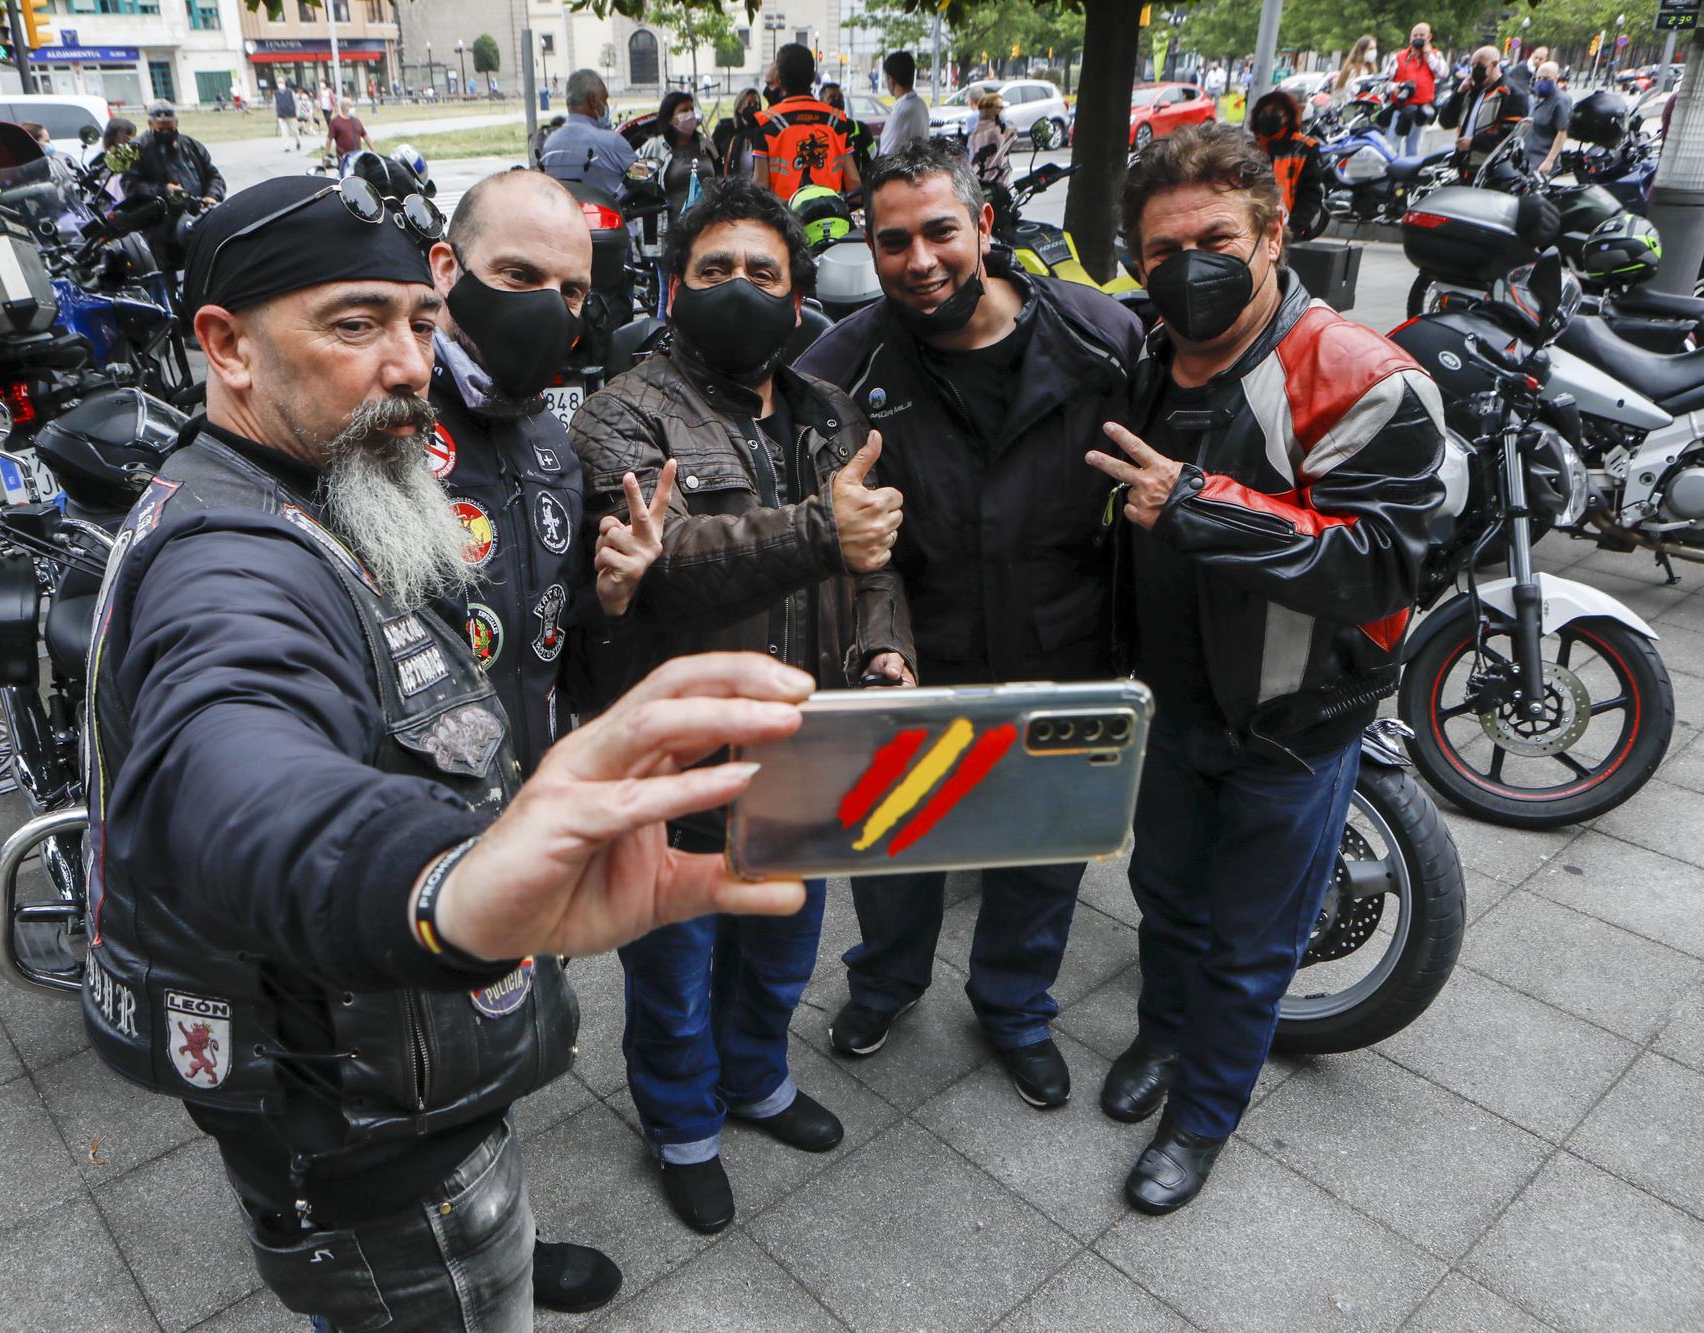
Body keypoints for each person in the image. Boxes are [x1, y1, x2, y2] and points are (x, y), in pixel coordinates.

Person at [83, 172, 818, 1330]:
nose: (409, 366)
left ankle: (508, 1243)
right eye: (353, 326)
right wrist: (443, 888)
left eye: (415, 326)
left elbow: (512, 644)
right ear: (225, 346)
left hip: (421, 1028)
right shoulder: (227, 552)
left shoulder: (330, 481)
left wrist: (613, 604)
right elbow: (233, 759)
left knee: (481, 1212)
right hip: (354, 1079)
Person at [1090, 123, 1442, 1214]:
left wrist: (1199, 506)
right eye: (1159, 249)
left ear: (1273, 233)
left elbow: (1380, 565)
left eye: (1214, 238)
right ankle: (1157, 1036)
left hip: (1293, 723)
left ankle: (1199, 1119)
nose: (1186, 266)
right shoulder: (1145, 355)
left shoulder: (1358, 376)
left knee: (1249, 945)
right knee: (1162, 896)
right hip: (1170, 705)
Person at [568, 178, 915, 1235]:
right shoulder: (620, 412)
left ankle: (755, 1082)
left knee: (781, 953)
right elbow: (665, 567)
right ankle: (681, 1126)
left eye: (762, 271)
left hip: (797, 759)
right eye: (714, 268)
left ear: (797, 298)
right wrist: (822, 530)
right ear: (676, 286)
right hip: (676, 768)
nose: (738, 288)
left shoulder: (825, 412)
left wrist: (887, 648)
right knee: (671, 977)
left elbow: (871, 561)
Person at [795, 138, 1142, 1111]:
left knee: (1041, 847)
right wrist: (876, 641)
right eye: (891, 239)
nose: (919, 259)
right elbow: (843, 539)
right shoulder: (837, 367)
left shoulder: (1098, 338)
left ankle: (1014, 1007)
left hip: (1064, 651)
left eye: (939, 230)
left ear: (983, 225)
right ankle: (886, 984)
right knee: (896, 843)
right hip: (916, 651)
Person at [422, 168, 625, 1316]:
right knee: (415, 1067)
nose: (547, 308)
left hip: (520, 817)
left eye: (569, 289)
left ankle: (492, 1231)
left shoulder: (549, 444)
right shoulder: (378, 434)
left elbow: (550, 634)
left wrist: (620, 588)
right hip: (403, 851)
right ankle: (443, 1259)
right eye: (517, 277)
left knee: (500, 1051)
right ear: (445, 272)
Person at [124, 100, 226, 275]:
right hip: (160, 230)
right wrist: (164, 190)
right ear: (150, 124)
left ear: (176, 123)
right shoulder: (137, 149)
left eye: (169, 128)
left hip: (196, 222)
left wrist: (211, 196)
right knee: (167, 279)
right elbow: (131, 186)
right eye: (160, 128)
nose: (165, 132)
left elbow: (214, 176)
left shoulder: (191, 145)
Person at [752, 42, 860, 203]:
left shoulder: (767, 122)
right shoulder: (837, 121)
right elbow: (854, 183)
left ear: (779, 78)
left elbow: (760, 185)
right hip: (832, 220)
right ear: (812, 76)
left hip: (786, 222)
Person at [541, 69, 635, 199]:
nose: (606, 106)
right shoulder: (611, 142)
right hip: (610, 216)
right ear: (592, 100)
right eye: (605, 100)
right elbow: (643, 178)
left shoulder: (550, 144)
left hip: (567, 216)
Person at [1441, 44, 1529, 176]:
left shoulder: (1512, 93)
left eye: (1479, 65)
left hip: (1489, 168)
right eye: (1473, 65)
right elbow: (1446, 121)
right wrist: (1458, 94)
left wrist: (1474, 143)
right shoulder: (1471, 90)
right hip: (1463, 164)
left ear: (1494, 65)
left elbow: (1511, 135)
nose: (1475, 69)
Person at [1247, 89, 1323, 240]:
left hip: (1289, 231)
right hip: (1252, 230)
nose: (1269, 116)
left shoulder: (1305, 148)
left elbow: (1311, 195)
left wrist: (1292, 228)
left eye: (1275, 111)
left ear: (1287, 116)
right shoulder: (1249, 148)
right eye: (1264, 112)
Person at [639, 89, 718, 215]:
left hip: (708, 222)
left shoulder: (705, 146)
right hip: (673, 225)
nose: (690, 114)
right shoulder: (656, 147)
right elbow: (635, 179)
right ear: (670, 118)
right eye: (684, 111)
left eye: (692, 109)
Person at [1389, 23, 1447, 155]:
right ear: (1410, 37)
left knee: (1414, 148)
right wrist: (1395, 88)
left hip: (1421, 111)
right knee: (1391, 147)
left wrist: (1428, 55)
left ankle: (1410, 174)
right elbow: (1385, 81)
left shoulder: (1435, 56)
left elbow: (1443, 73)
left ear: (1429, 37)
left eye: (1422, 35)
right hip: (1400, 108)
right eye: (1415, 35)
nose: (1418, 38)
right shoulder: (1398, 57)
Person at [1524, 59, 1569, 174]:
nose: (1541, 81)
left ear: (1556, 78)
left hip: (1543, 161)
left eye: (1546, 78)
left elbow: (1562, 132)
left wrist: (1549, 161)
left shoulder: (1561, 100)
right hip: (1529, 158)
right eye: (1539, 78)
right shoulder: (1537, 98)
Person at [881, 51, 929, 157]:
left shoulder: (901, 113)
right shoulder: (920, 104)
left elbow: (885, 157)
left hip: (902, 172)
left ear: (891, 80)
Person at [822, 81, 876, 174]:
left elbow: (873, 157)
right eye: (832, 97)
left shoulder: (860, 129)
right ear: (821, 102)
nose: (837, 100)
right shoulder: (817, 131)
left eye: (840, 97)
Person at [715, 88, 767, 178]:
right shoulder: (726, 129)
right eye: (749, 104)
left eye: (756, 104)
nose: (753, 107)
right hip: (732, 184)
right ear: (739, 107)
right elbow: (715, 157)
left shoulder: (763, 132)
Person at [967, 90, 1014, 186]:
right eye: (1000, 107)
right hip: (996, 179)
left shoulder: (979, 129)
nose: (1002, 110)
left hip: (985, 179)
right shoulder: (999, 129)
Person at [327, 94, 372, 167]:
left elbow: (365, 136)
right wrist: (327, 156)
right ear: (345, 107)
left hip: (358, 158)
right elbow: (329, 140)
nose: (353, 108)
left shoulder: (356, 121)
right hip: (344, 159)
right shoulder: (335, 122)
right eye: (351, 106)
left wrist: (374, 151)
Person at [1335, 34, 1379, 102]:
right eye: (1370, 49)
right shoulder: (1352, 68)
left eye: (1374, 48)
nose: (1374, 52)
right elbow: (1347, 92)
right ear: (1362, 50)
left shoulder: (1370, 69)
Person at [274, 81, 301, 151]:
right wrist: (276, 115)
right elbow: (275, 105)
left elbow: (296, 103)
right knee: (284, 132)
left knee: (295, 131)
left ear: (284, 84)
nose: (280, 84)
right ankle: (286, 146)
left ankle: (298, 141)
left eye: (281, 82)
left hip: (291, 115)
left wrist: (297, 113)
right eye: (279, 83)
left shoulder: (290, 92)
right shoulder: (276, 93)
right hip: (281, 116)